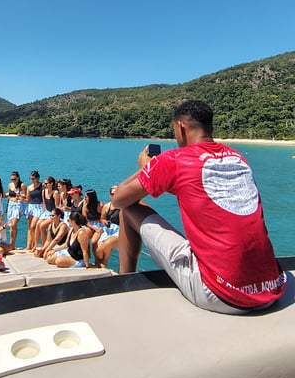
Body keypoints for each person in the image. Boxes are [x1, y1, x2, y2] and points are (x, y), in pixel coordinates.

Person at [113, 99, 286, 314]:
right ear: (210, 127)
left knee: (130, 208)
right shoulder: (237, 158)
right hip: (272, 287)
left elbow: (119, 199)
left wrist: (145, 169)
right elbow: (196, 188)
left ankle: (122, 284)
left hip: (221, 293)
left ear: (180, 127)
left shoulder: (174, 160)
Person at [93, 185, 120, 267]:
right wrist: (104, 222)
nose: (114, 196)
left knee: (106, 245)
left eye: (116, 193)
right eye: (112, 194)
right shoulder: (106, 206)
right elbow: (102, 218)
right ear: (109, 195)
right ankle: (99, 263)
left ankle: (104, 263)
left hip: (119, 230)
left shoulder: (123, 207)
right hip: (108, 229)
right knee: (98, 248)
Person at [6, 171, 27, 250]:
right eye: (12, 179)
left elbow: (26, 196)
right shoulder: (10, 185)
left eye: (14, 179)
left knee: (14, 224)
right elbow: (9, 196)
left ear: (18, 178)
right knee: (11, 226)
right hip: (11, 205)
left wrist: (19, 196)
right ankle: (12, 244)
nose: (13, 181)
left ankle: (12, 244)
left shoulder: (22, 185)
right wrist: (10, 198)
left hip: (19, 205)